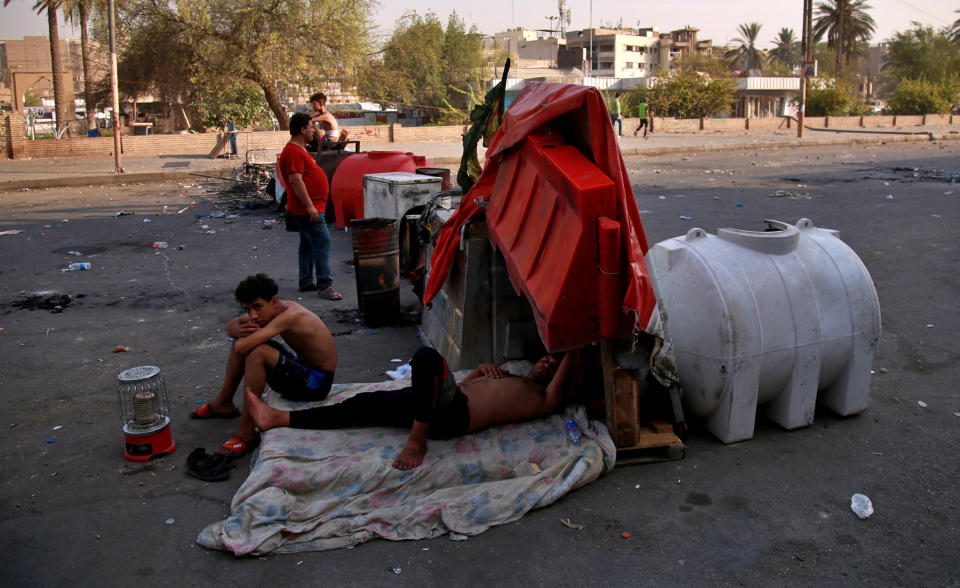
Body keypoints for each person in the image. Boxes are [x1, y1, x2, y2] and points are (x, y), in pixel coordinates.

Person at [246, 347, 578, 470]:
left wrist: (575, 350)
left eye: (553, 367)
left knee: (427, 358)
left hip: (453, 416)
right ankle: (278, 418)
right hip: (437, 404)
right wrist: (480, 371)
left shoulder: (539, 398)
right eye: (547, 359)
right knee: (364, 403)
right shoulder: (513, 377)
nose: (547, 364)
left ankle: (416, 440)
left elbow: (555, 391)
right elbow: (467, 386)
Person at [191, 274, 338, 457]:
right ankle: (223, 403)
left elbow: (242, 345)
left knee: (257, 351)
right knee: (247, 341)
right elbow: (231, 326)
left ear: (273, 301)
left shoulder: (290, 315)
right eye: (248, 309)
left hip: (317, 384)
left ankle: (247, 430)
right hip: (304, 369)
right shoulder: (271, 309)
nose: (253, 315)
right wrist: (239, 329)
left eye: (258, 307)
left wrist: (242, 333)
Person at [277, 112, 342, 300]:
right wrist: (310, 206)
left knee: (307, 243)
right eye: (311, 127)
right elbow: (295, 180)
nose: (314, 130)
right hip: (307, 208)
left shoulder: (299, 150)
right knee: (323, 241)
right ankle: (325, 285)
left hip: (309, 207)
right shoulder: (293, 152)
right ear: (302, 130)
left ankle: (305, 281)